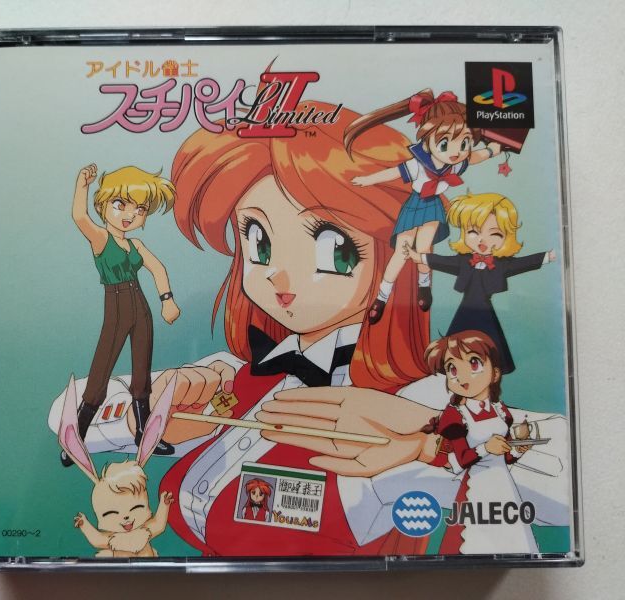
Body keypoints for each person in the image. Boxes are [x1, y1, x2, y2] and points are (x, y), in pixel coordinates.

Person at [48, 102, 570, 556]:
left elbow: (565, 478)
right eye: (258, 242)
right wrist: (154, 419)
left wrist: (423, 434)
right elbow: (65, 415)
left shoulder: (424, 398)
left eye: (332, 250)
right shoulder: (237, 372)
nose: (279, 276)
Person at [346, 90, 502, 324]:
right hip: (415, 204)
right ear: (427, 140)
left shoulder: (457, 163)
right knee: (401, 252)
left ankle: (424, 286)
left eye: (464, 142)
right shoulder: (419, 164)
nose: (456, 152)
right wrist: (368, 180)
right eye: (445, 143)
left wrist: (492, 150)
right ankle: (381, 297)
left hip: (433, 207)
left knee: (423, 248)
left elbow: (475, 156)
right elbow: (393, 173)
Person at [63, 163, 180, 466]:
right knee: (100, 372)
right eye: (120, 205)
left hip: (140, 305)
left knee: (142, 371)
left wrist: (167, 300)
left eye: (140, 209)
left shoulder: (136, 244)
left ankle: (143, 434)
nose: (130, 215)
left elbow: (158, 269)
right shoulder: (101, 239)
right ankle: (75, 439)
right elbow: (79, 217)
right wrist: (82, 185)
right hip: (115, 306)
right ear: (103, 206)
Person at [404, 192, 555, 373]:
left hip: (485, 311)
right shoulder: (463, 260)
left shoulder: (502, 264)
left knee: (490, 344)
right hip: (466, 309)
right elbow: (441, 261)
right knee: (457, 343)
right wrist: (418, 256)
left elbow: (523, 263)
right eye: (474, 232)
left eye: (495, 233)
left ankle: (487, 375)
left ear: (506, 237)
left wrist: (549, 256)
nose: (482, 240)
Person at [425, 330, 538, 554]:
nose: (462, 377)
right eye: (452, 369)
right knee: (471, 541)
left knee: (513, 539)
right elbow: (462, 459)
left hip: (503, 486)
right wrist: (487, 448)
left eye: (474, 364)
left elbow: (505, 455)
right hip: (475, 486)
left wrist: (518, 449)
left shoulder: (500, 410)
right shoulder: (455, 416)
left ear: (495, 373)